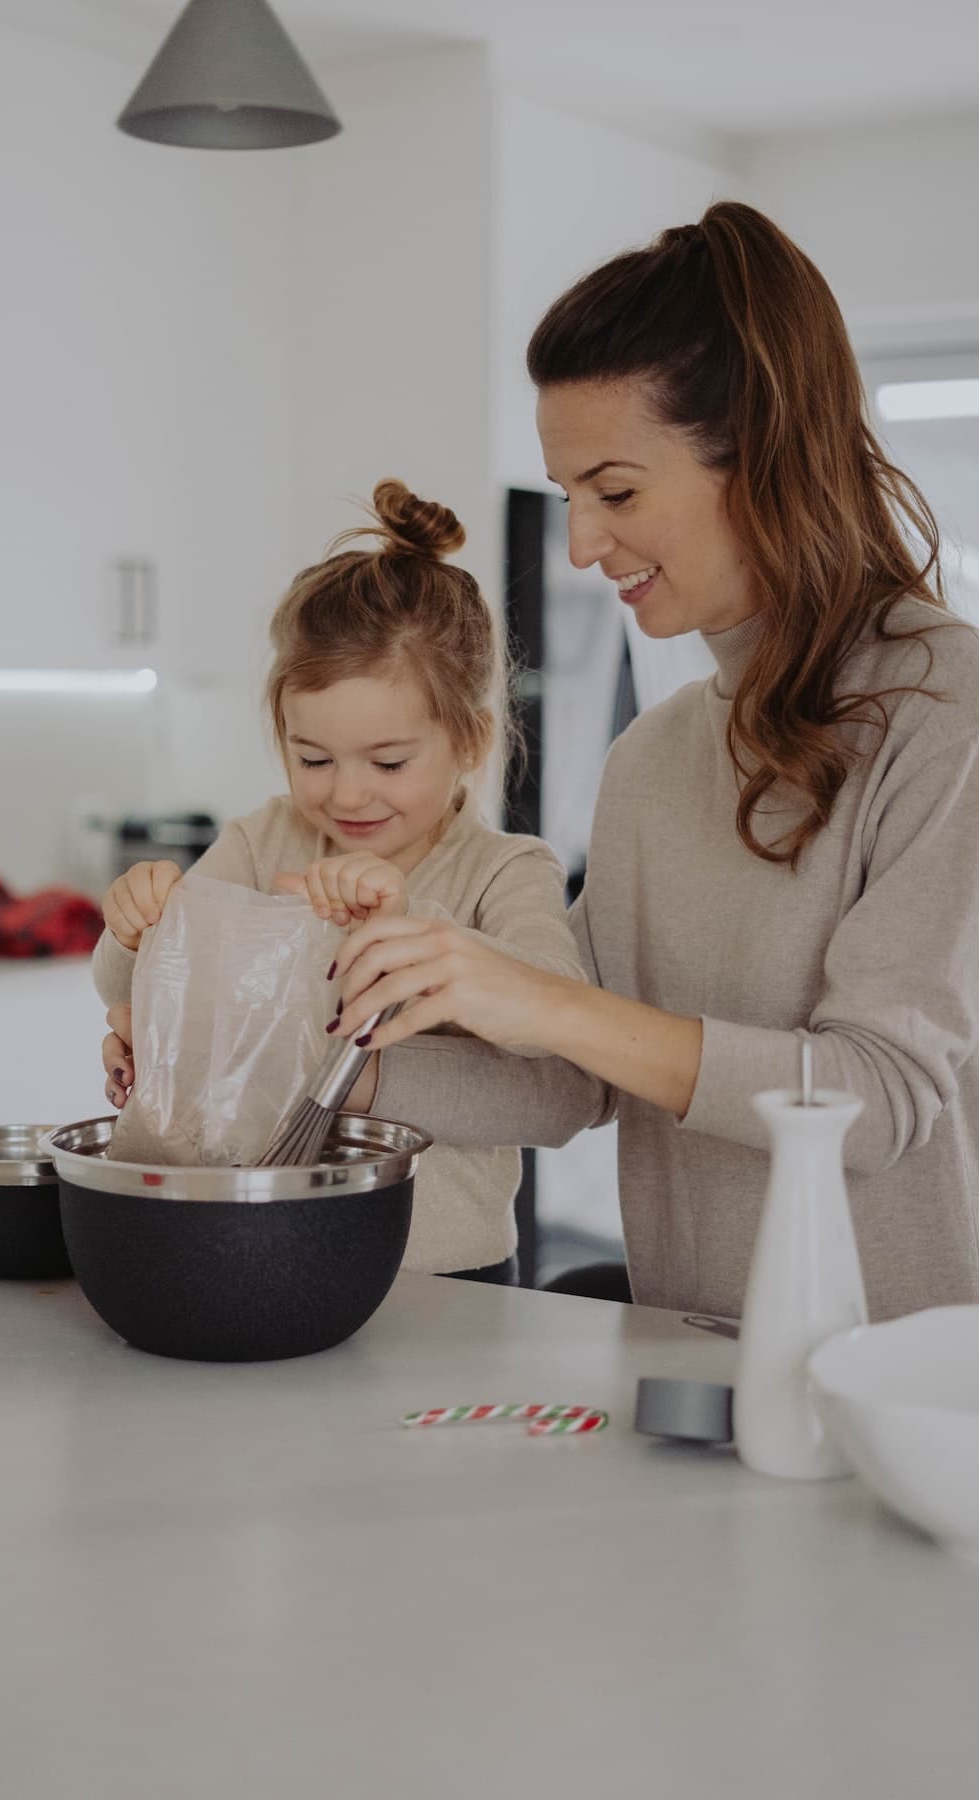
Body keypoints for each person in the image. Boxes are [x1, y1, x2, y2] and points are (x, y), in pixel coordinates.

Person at [328, 202, 979, 1324]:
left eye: (616, 493)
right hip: (694, 1380)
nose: (582, 545)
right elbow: (568, 1080)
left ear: (764, 456)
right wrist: (302, 1053)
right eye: (572, 496)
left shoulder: (945, 713)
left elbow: (877, 1100)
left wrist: (538, 996)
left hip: (906, 1406)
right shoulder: (655, 756)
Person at [93, 479, 584, 1284]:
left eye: (388, 762)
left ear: (470, 741)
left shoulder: (505, 872)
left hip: (445, 1280)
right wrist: (136, 926)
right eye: (312, 759)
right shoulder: (265, 838)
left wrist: (410, 927)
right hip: (260, 1248)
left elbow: (553, 1044)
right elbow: (129, 989)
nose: (346, 795)